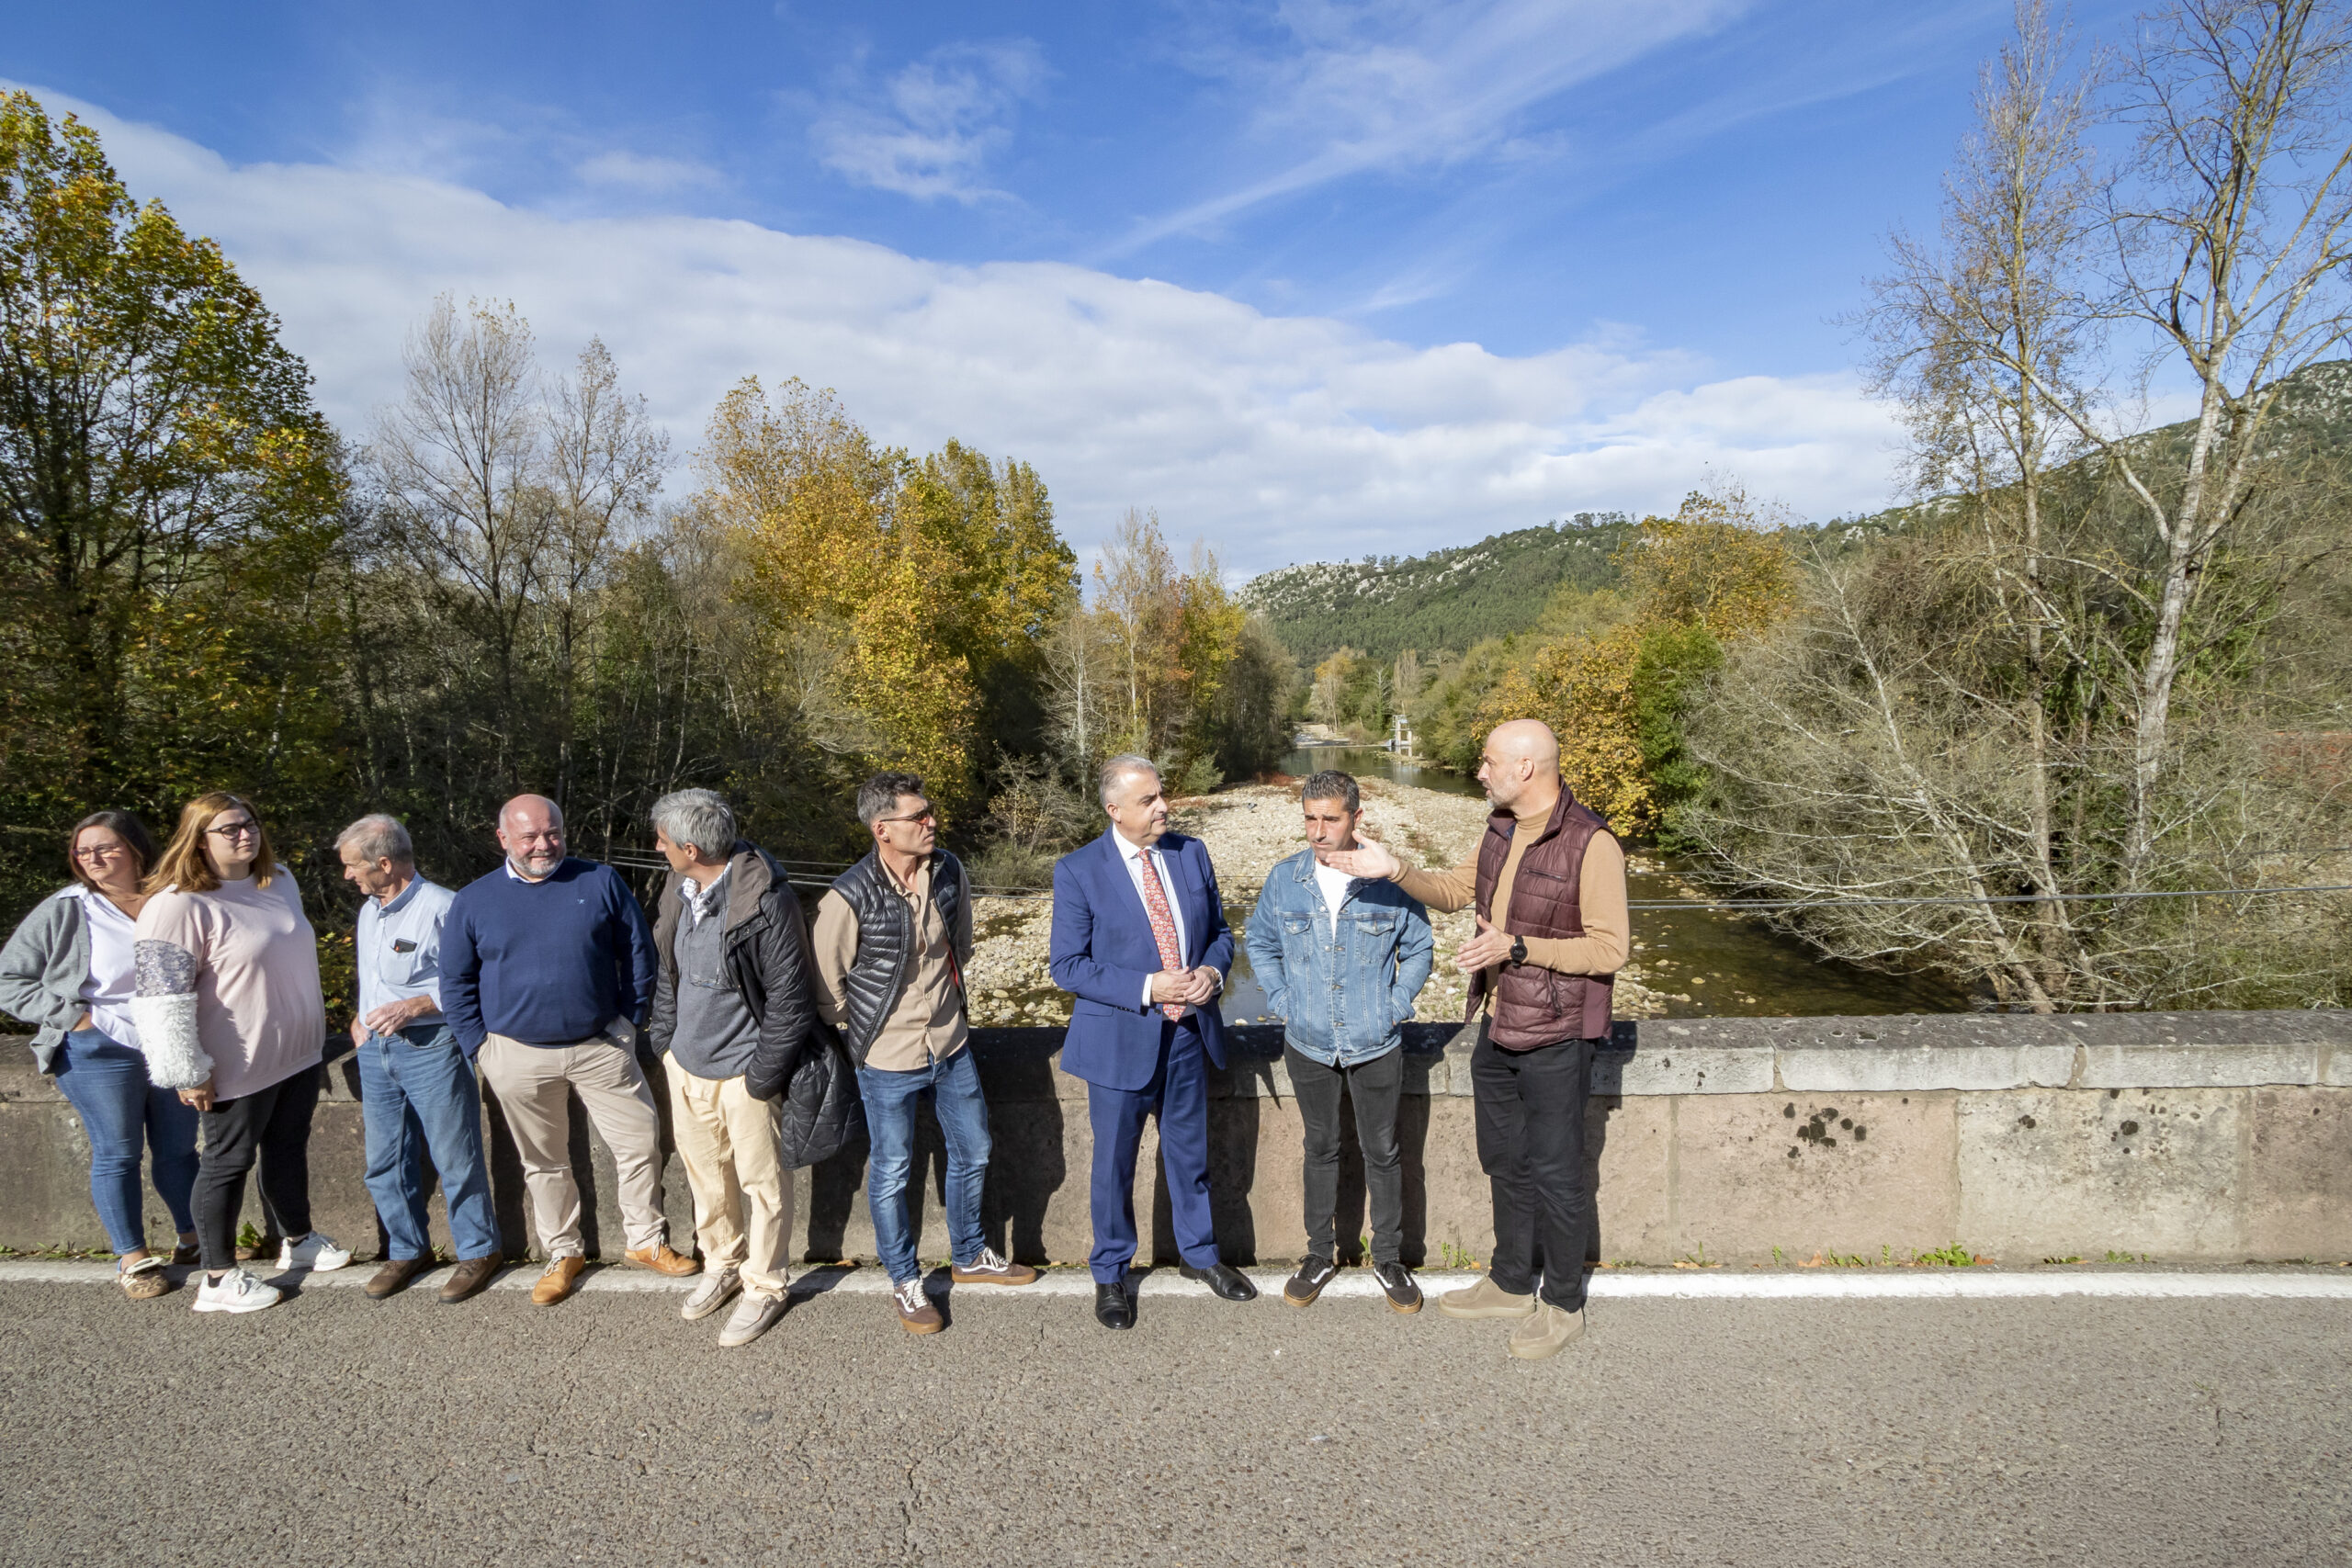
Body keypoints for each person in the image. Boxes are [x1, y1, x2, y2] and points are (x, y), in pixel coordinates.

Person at [1319, 719, 1629, 1359]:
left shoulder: (1591, 843)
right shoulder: (1499, 828)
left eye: (1487, 762)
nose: (1479, 771)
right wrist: (1394, 868)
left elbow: (1611, 947)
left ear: (1525, 767)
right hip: (1500, 1025)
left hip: (1558, 1032)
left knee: (1557, 1173)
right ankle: (1513, 1280)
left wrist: (1518, 946)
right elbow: (1457, 891)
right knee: (1504, 1160)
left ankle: (1563, 1301)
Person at [441, 794, 690, 1307]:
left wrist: (629, 1022)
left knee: (641, 1144)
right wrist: (481, 1047)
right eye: (530, 836)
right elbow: (456, 982)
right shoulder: (473, 900)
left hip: (600, 1045)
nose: (543, 845)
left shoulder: (598, 881)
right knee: (544, 1162)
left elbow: (638, 952)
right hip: (515, 1053)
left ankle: (645, 1241)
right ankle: (564, 1252)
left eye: (551, 832)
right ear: (503, 838)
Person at [810, 771, 1036, 1337]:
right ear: (881, 829)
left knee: (975, 1148)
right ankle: (906, 1281)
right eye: (919, 816)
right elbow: (827, 987)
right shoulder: (848, 895)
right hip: (886, 1057)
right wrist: (866, 1035)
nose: (931, 822)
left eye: (930, 811)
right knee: (891, 1171)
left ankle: (968, 1255)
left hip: (951, 1043)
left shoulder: (949, 872)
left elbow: (959, 945)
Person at [1049, 754, 1254, 1331]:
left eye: (1162, 795)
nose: (1163, 806)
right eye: (1148, 800)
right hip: (1119, 1042)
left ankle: (1200, 1256)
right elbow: (1066, 967)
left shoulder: (1191, 853)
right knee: (1113, 1163)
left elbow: (1218, 932)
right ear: (1115, 810)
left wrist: (1212, 975)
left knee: (1191, 1157)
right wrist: (1148, 985)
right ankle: (1111, 1272)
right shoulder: (1079, 870)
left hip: (1188, 1034)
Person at [130, 793, 349, 1314]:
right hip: (236, 1063)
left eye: (249, 823)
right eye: (228, 829)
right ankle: (217, 1277)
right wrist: (186, 1069)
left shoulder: (279, 881)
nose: (244, 835)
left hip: (295, 1054)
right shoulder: (176, 904)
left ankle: (298, 1239)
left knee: (288, 1147)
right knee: (227, 1162)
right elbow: (161, 998)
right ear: (198, 839)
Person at [1243, 771, 1433, 1313]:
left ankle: (1390, 1257)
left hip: (1376, 1042)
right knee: (1319, 1148)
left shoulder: (1386, 881)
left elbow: (1419, 947)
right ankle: (1319, 1253)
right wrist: (1282, 1000)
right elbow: (1260, 941)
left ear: (1356, 817)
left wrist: (1394, 1006)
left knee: (1384, 1150)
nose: (1318, 831)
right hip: (1306, 1041)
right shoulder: (1286, 880)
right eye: (1310, 818)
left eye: (1331, 818)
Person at [645, 788, 818, 1349]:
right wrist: (665, 1044)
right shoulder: (679, 884)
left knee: (762, 1186)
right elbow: (667, 969)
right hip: (686, 1065)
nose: (657, 848)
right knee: (705, 1178)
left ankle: (765, 1285)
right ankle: (723, 1262)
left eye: (663, 841)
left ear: (690, 847)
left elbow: (791, 1003)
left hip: (745, 1073)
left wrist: (761, 1078)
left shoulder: (767, 901)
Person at [0, 812, 199, 1298]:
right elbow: (9, 979)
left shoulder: (171, 900)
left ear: (135, 849)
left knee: (178, 1151)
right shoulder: (67, 909)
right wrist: (75, 1018)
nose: (93, 859)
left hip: (168, 1040)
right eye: (83, 852)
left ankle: (194, 1241)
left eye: (106, 848)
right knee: (118, 1153)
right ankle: (132, 1259)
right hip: (98, 1050)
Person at [337, 813, 503, 1304]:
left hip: (431, 1047)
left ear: (384, 863)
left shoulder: (444, 908)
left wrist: (418, 1005)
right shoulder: (371, 908)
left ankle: (478, 1250)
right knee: (384, 1161)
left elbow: (478, 981)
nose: (347, 876)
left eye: (352, 866)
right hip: (376, 1050)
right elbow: (376, 975)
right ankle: (407, 1250)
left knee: (455, 1156)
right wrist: (360, 1014)